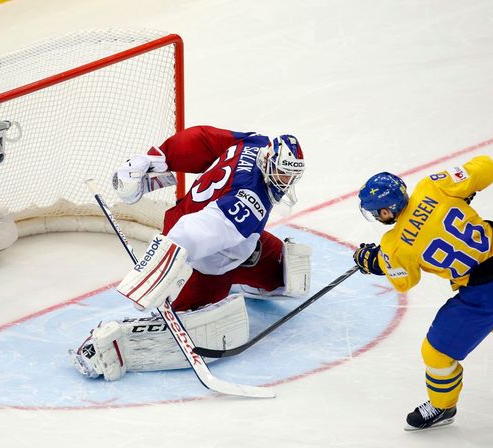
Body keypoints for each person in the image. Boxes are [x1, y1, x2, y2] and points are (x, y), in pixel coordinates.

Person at [71, 125, 312, 380]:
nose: (284, 182)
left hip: (217, 231)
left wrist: (160, 157)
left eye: (290, 176)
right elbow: (191, 233)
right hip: (202, 265)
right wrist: (160, 270)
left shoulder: (254, 144)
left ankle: (241, 274)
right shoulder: (248, 202)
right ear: (268, 161)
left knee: (289, 274)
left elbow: (203, 140)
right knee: (200, 327)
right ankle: (103, 347)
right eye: (281, 174)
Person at [353, 155, 493, 431]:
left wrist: (376, 262)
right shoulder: (432, 187)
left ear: (387, 211)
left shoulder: (394, 245)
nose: (377, 217)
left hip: (486, 291)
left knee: (436, 352)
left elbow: (404, 282)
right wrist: (466, 188)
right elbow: (489, 167)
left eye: (377, 212)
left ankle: (443, 406)